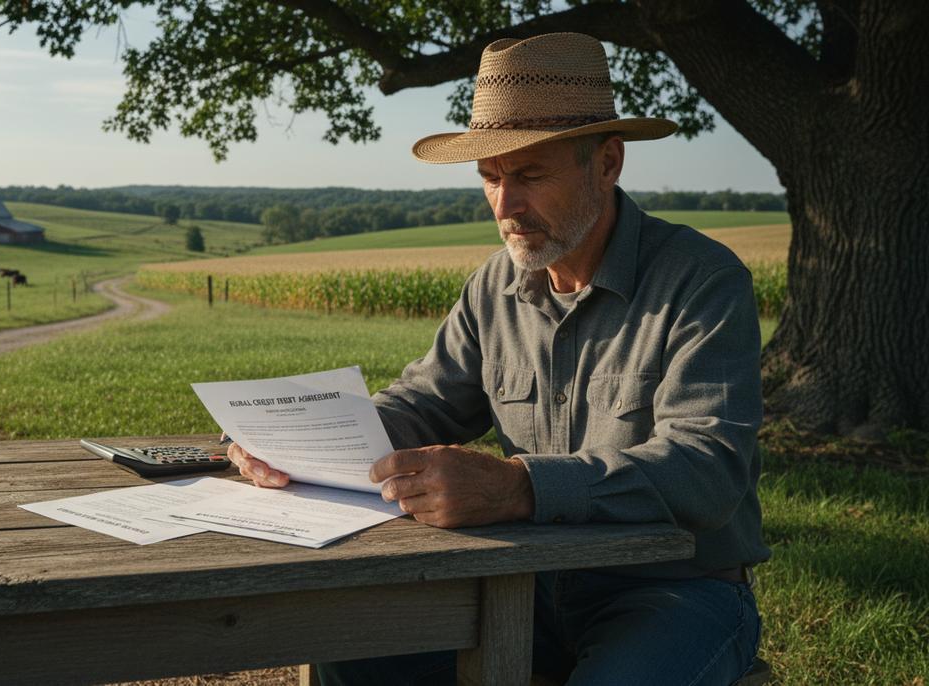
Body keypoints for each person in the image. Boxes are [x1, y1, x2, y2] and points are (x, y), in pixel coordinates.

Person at [226, 32, 768, 685]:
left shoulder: (700, 280)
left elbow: (707, 470)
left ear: (607, 162)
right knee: (354, 654)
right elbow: (424, 405)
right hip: (520, 588)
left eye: (531, 174)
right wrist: (295, 439)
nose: (505, 208)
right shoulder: (494, 286)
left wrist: (519, 486)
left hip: (672, 595)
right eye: (490, 177)